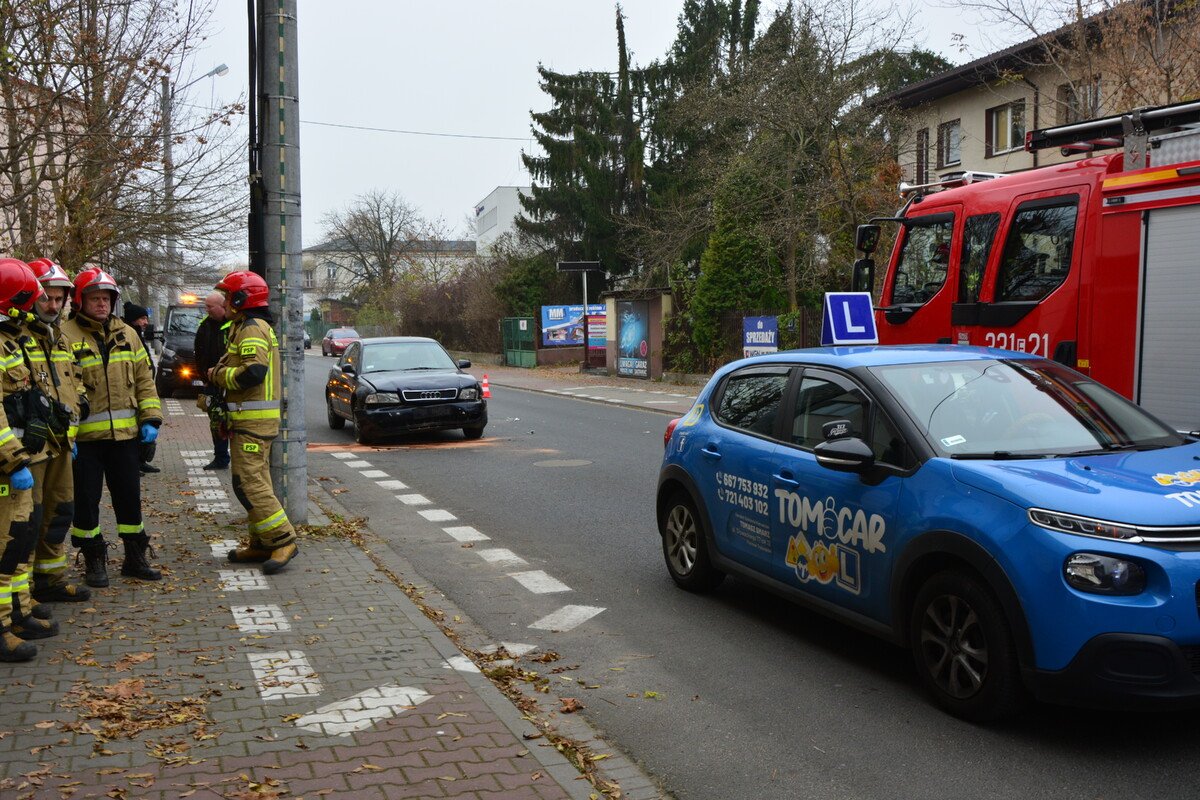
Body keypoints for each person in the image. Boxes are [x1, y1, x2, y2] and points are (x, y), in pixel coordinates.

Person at [61, 268, 163, 587]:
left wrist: (151, 420)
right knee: (86, 504)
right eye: (95, 298)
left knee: (129, 499)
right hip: (85, 441)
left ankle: (135, 557)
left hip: (124, 439)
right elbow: (63, 384)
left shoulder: (128, 334)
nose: (102, 304)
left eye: (106, 298)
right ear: (80, 301)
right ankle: (94, 561)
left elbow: (145, 380)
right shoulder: (65, 335)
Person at [210, 271, 297, 574]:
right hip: (249, 420)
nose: (224, 302)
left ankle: (283, 539)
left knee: (248, 484)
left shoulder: (251, 329)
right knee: (255, 481)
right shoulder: (244, 327)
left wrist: (218, 375)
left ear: (241, 298)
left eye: (227, 296)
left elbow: (253, 373)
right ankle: (261, 543)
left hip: (254, 421)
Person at [0, 258, 58, 661]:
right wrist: (13, 460)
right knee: (4, 548)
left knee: (20, 542)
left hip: (17, 460)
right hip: (7, 465)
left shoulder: (8, 339)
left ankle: (17, 615)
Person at [25, 258, 91, 605]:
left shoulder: (58, 338)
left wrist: (79, 403)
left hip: (61, 443)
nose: (53, 305)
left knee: (59, 511)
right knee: (28, 520)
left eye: (58, 299)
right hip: (30, 449)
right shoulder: (17, 338)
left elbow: (72, 378)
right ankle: (23, 593)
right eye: (46, 298)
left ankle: (49, 579)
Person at [194, 291, 230, 470]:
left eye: (209, 306)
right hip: (211, 383)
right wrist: (203, 376)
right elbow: (199, 352)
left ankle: (229, 456)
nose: (206, 309)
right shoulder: (205, 325)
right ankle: (221, 457)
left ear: (221, 306)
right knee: (216, 422)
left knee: (231, 421)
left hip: (229, 383)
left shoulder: (233, 325)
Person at [122, 302, 159, 474]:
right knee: (134, 433)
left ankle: (141, 461)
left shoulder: (137, 334)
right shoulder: (128, 336)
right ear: (133, 319)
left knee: (142, 433)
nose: (145, 322)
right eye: (142, 318)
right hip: (132, 395)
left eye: (146, 318)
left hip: (140, 393)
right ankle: (135, 463)